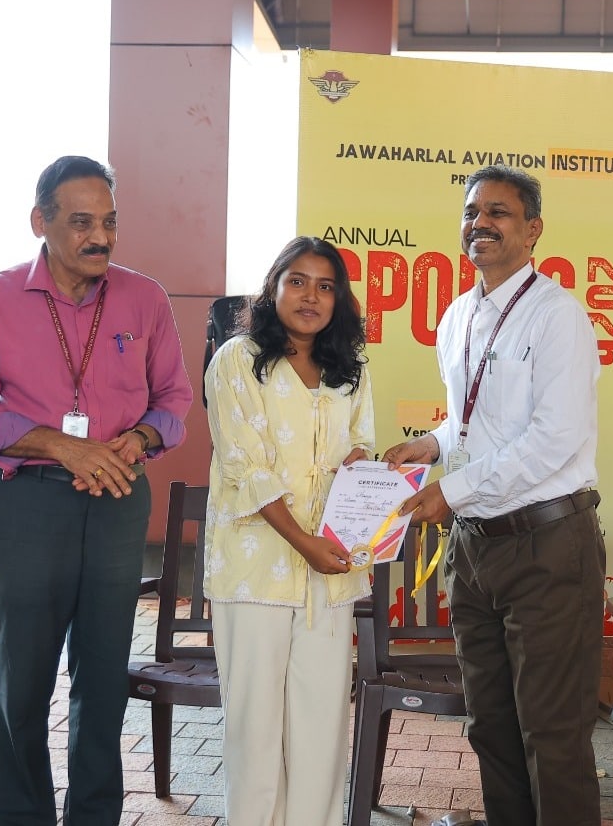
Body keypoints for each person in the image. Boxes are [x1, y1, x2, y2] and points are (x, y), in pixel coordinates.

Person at [0, 155, 194, 825]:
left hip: (118, 498)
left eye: (109, 223)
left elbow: (174, 399)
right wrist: (63, 445)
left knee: (104, 678)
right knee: (22, 682)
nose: (100, 238)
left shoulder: (144, 298)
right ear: (41, 221)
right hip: (29, 502)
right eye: (82, 223)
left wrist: (137, 440)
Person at [383, 165, 605, 826]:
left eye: (498, 212)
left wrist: (451, 491)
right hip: (475, 550)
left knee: (552, 736)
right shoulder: (458, 316)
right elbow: (473, 421)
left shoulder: (558, 316)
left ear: (533, 230)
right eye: (471, 212)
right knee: (491, 728)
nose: (480, 223)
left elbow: (554, 438)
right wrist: (432, 444)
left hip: (546, 546)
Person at [204, 236, 374, 826]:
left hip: (330, 574)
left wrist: (361, 466)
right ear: (273, 287)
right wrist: (304, 543)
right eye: (297, 281)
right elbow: (244, 467)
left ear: (339, 299)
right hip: (255, 571)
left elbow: (362, 442)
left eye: (325, 286)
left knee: (322, 728)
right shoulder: (237, 360)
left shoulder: (351, 369)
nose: (310, 296)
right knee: (254, 729)